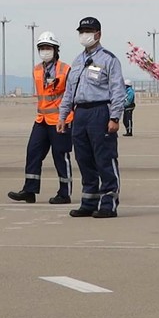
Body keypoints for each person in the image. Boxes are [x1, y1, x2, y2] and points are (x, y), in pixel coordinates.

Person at [57, 16, 124, 218]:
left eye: (88, 31)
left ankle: (108, 203)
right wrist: (63, 116)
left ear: (98, 34)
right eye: (81, 32)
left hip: (100, 111)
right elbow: (69, 91)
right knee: (83, 158)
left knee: (104, 158)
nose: (84, 35)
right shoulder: (77, 61)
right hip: (80, 113)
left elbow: (117, 90)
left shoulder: (109, 59)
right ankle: (89, 201)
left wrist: (114, 117)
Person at [9, 33, 72, 203]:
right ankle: (30, 190)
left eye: (48, 48)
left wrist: (66, 117)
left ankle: (64, 193)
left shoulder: (65, 69)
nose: (45, 51)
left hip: (61, 120)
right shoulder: (37, 69)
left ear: (55, 50)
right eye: (42, 48)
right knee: (33, 152)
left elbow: (71, 94)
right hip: (42, 119)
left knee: (60, 155)